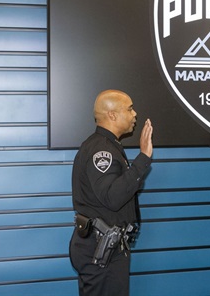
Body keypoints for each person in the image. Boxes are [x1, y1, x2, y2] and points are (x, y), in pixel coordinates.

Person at [69, 89, 153, 296]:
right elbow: (113, 197)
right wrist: (143, 157)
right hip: (101, 251)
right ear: (112, 115)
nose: (135, 114)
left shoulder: (109, 146)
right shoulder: (102, 151)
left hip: (106, 248)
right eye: (130, 108)